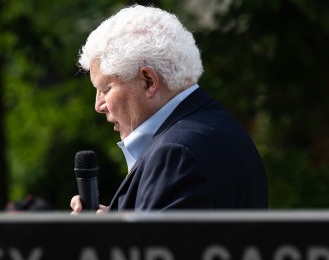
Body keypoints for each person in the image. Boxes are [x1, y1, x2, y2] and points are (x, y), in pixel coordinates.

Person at [69, 5, 268, 213]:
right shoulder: (221, 127)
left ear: (148, 81)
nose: (98, 105)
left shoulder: (176, 153)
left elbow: (160, 246)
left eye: (105, 89)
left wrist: (96, 239)